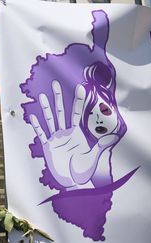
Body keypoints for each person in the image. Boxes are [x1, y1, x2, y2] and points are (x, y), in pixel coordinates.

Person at [29, 61, 126, 190]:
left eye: (104, 110)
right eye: (89, 114)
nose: (97, 119)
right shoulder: (90, 150)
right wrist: (68, 180)